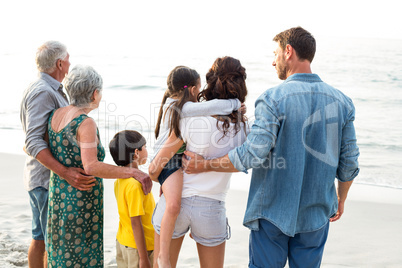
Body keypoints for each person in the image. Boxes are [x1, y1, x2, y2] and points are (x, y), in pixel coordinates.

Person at [183, 27, 360, 268]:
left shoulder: (272, 99)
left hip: (271, 213)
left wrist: (203, 165)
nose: (273, 61)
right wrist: (341, 198)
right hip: (316, 214)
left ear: (289, 51)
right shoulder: (342, 102)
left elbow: (252, 154)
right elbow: (349, 162)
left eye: (275, 53)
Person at [46, 65, 152, 267]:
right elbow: (91, 166)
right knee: (80, 256)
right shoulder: (85, 123)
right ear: (95, 93)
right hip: (79, 202)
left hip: (58, 194)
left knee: (60, 253)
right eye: (100, 92)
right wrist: (131, 171)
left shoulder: (55, 115)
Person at [150, 56, 248, 268]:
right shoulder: (243, 126)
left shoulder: (188, 118)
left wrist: (158, 177)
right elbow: (243, 162)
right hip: (211, 208)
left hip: (175, 203)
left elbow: (157, 165)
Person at [20, 41, 97, 268]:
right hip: (45, 179)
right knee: (47, 240)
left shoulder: (44, 88)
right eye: (68, 60)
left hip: (39, 176)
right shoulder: (43, 92)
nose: (70, 64)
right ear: (60, 63)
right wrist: (64, 172)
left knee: (41, 237)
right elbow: (32, 141)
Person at [109, 130, 156, 268]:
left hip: (124, 242)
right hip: (140, 248)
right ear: (136, 153)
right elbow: (136, 222)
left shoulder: (120, 180)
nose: (147, 150)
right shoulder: (135, 185)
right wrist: (143, 258)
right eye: (145, 147)